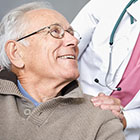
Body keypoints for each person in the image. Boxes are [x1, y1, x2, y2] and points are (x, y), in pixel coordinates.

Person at [0, 1, 125, 140]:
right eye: (54, 31)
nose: (74, 41)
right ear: (16, 53)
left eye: (71, 33)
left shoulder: (101, 117)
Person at [71, 0, 140, 139]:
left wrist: (124, 118)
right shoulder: (107, 4)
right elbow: (62, 53)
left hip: (123, 131)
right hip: (73, 110)